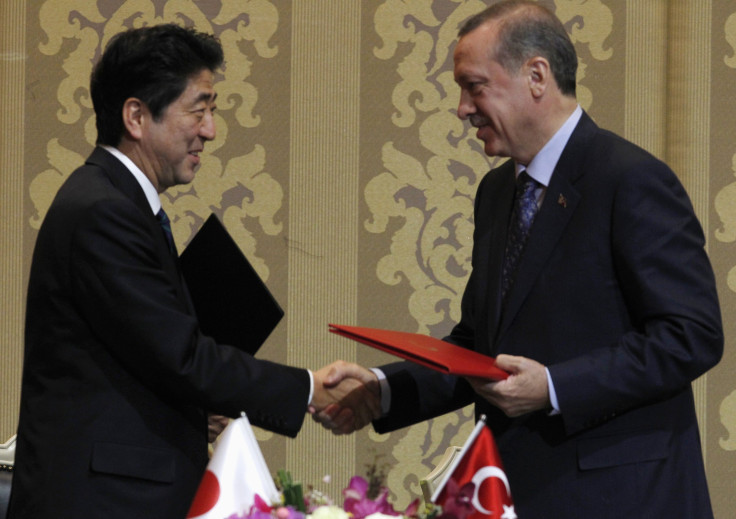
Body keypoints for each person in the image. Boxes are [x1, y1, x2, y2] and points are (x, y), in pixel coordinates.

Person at [314, 1, 724, 517]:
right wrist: (384, 389)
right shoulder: (496, 192)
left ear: (536, 75)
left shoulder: (629, 179)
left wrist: (552, 387)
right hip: (520, 493)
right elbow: (480, 348)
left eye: (474, 85)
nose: (462, 107)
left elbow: (692, 335)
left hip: (623, 497)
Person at [9, 24, 378, 519]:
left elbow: (136, 361)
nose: (210, 129)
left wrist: (192, 412)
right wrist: (310, 386)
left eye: (212, 111)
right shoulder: (103, 210)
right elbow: (180, 357)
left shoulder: (114, 201)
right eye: (198, 110)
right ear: (137, 116)